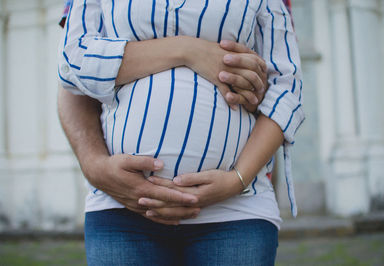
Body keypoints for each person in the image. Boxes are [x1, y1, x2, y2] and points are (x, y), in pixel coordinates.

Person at [58, 0, 304, 265]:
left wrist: (237, 178)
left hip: (236, 211)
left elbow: (286, 87)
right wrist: (187, 50)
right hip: (121, 209)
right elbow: (72, 65)